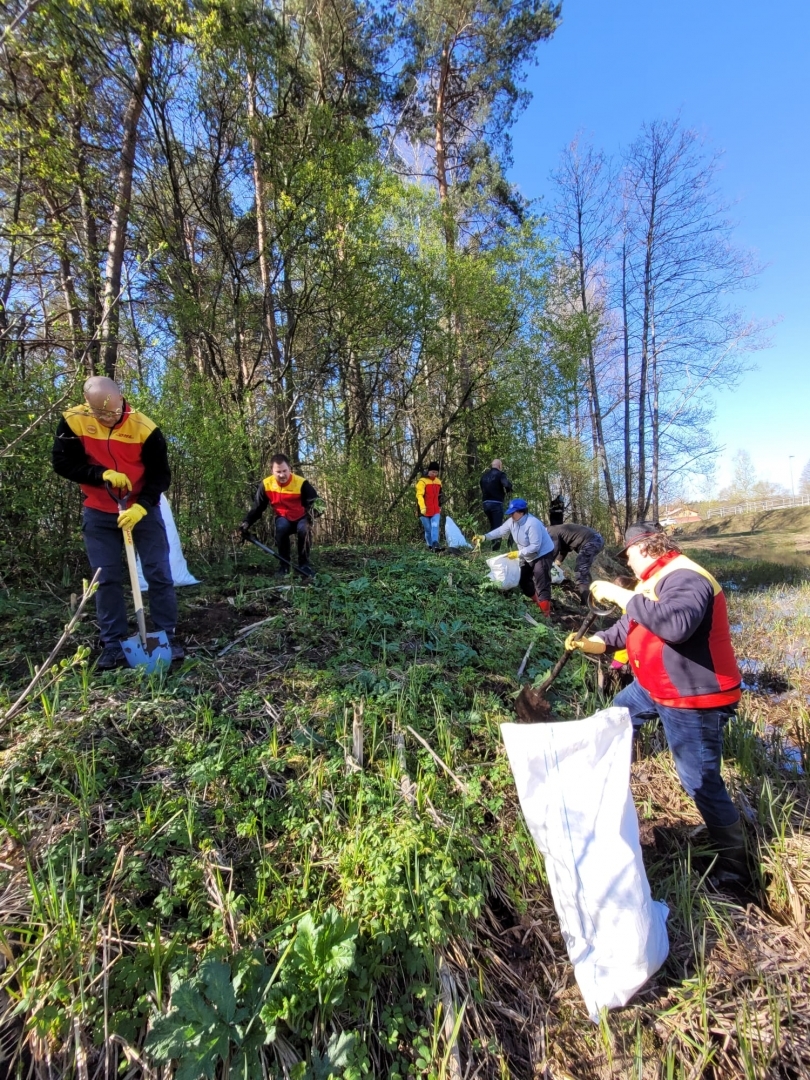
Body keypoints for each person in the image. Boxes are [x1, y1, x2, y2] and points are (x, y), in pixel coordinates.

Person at [565, 521, 748, 885]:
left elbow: (677, 625)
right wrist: (596, 643)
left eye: (628, 554)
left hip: (692, 697)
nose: (627, 563)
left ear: (647, 546)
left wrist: (623, 597)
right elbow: (629, 628)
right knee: (614, 718)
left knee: (699, 780)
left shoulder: (686, 577)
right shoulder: (654, 581)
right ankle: (602, 794)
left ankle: (735, 866)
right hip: (653, 686)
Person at [52, 376, 182, 670]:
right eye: (101, 414)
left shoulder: (145, 428)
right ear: (89, 406)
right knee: (105, 578)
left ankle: (167, 637)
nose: (108, 418)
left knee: (158, 572)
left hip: (141, 509)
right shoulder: (73, 422)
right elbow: (62, 463)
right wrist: (101, 474)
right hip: (99, 511)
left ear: (122, 398)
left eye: (113, 411)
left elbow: (161, 476)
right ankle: (113, 645)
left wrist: (141, 507)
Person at [473, 498, 555, 615]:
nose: (511, 515)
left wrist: (518, 553)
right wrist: (484, 537)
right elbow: (501, 531)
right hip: (526, 554)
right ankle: (537, 604)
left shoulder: (532, 524)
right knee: (524, 580)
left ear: (521, 512)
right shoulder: (512, 521)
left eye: (513, 512)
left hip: (542, 554)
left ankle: (545, 614)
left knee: (542, 582)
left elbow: (535, 546)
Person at [239, 454, 318, 574]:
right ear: (272, 471)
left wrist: (311, 516)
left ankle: (304, 565)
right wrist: (247, 522)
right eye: (278, 472)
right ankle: (284, 566)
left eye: (285, 471)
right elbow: (258, 507)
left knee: (304, 530)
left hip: (301, 516)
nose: (282, 475)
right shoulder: (266, 484)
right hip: (283, 517)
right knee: (281, 528)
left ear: (290, 468)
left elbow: (316, 503)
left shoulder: (301, 483)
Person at [547, 522, 605, 604]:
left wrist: (546, 565)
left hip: (591, 541)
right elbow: (563, 550)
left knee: (581, 572)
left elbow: (554, 550)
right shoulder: (557, 530)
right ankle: (591, 596)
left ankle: (587, 604)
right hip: (596, 540)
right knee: (584, 570)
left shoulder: (550, 532)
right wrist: (556, 564)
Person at [479, 459, 513, 550]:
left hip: (486, 504)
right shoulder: (500, 474)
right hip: (496, 503)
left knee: (492, 524)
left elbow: (482, 487)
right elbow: (506, 484)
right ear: (499, 466)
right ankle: (495, 547)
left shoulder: (484, 476)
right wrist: (509, 488)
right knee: (497, 526)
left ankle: (493, 545)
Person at [415, 461, 443, 551]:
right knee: (428, 529)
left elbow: (440, 496)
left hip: (435, 510)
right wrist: (422, 507)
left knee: (435, 526)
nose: (434, 474)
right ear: (428, 471)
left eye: (436, 472)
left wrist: (439, 506)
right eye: (432, 472)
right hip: (424, 510)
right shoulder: (422, 481)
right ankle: (430, 546)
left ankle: (435, 543)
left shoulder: (438, 482)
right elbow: (419, 495)